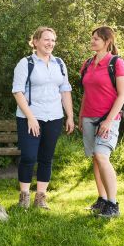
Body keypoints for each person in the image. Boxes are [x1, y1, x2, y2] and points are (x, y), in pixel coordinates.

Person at [12, 27, 75, 209]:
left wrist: (69, 116)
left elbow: (65, 90)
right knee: (29, 156)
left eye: (53, 40)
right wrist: (31, 117)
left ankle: (40, 198)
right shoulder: (25, 63)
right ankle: (24, 197)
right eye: (47, 39)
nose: (50, 44)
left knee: (46, 158)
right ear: (36, 41)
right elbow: (17, 91)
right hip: (30, 118)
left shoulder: (59, 64)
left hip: (54, 117)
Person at [78, 26, 124, 218]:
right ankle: (102, 200)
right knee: (95, 159)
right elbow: (86, 93)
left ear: (107, 42)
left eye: (96, 39)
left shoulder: (116, 63)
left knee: (101, 156)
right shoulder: (88, 64)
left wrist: (108, 121)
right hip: (89, 118)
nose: (92, 41)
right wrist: (82, 116)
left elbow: (122, 94)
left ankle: (113, 205)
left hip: (109, 118)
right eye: (92, 38)